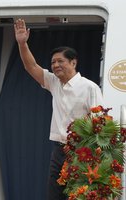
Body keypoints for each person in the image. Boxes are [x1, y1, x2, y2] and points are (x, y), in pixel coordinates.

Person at [14, 19, 104, 200]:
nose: (55, 65)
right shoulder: (54, 83)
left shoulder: (89, 87)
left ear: (73, 62)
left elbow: (99, 124)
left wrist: (95, 157)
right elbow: (30, 66)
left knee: (80, 195)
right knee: (55, 195)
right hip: (59, 150)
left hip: (82, 150)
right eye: (53, 62)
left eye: (60, 61)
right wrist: (22, 43)